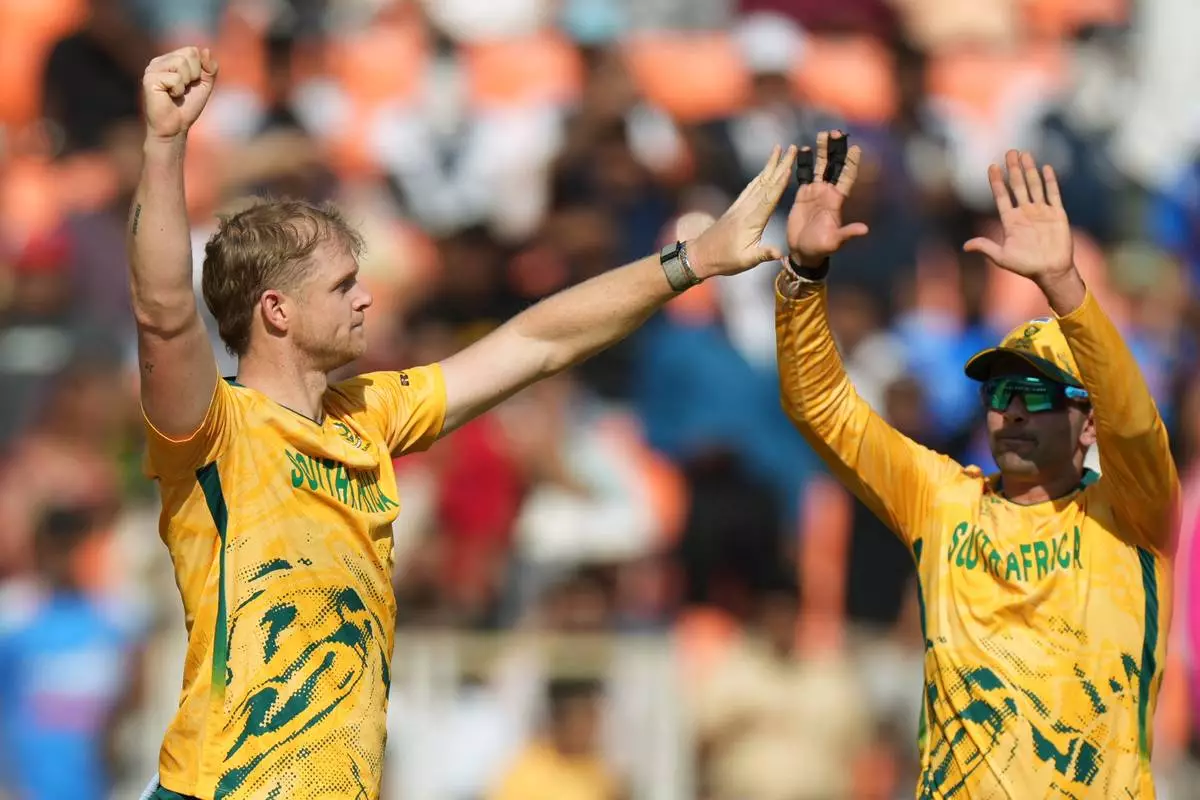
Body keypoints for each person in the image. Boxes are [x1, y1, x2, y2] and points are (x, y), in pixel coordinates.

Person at [129, 47, 799, 800]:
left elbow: (537, 342)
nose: (367, 299)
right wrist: (165, 145)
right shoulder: (217, 429)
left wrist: (688, 263)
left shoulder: (370, 415)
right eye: (345, 284)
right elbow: (161, 313)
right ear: (276, 311)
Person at [776, 131, 1178, 796]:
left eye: (1038, 393)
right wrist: (803, 276)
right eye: (999, 392)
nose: (1012, 411)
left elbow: (1136, 423)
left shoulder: (1131, 516)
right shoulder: (942, 499)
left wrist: (1064, 288)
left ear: (1087, 420)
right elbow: (821, 407)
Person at [0, 506, 146, 800]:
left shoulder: (118, 618)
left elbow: (137, 697)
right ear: (40, 550)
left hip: (101, 787)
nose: (66, 559)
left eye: (75, 547)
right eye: (59, 548)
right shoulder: (13, 619)